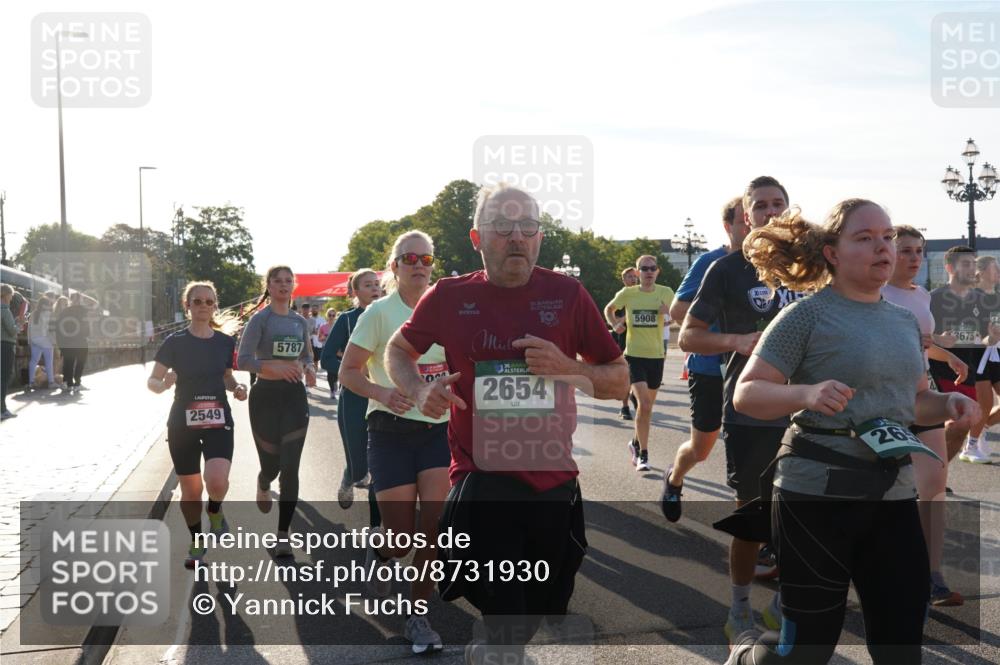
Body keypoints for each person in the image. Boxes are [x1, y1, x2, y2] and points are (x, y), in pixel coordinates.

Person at [723, 200, 980, 665]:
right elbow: (747, 393)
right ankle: (745, 652)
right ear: (832, 253)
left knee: (901, 644)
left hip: (893, 494)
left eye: (886, 237)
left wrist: (947, 404)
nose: (882, 247)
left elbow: (912, 400)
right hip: (816, 496)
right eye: (864, 238)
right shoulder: (806, 316)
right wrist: (805, 393)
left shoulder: (904, 321)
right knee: (805, 651)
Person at [386, 183, 628, 664]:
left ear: (540, 236)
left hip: (554, 479)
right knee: (507, 615)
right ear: (477, 237)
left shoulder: (568, 295)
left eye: (528, 227)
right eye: (502, 227)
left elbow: (619, 381)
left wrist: (569, 367)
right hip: (483, 479)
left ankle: (493, 649)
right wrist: (417, 390)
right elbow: (398, 349)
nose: (517, 237)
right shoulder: (450, 296)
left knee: (537, 609)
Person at [679, 176, 801, 643]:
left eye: (779, 204)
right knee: (752, 518)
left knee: (807, 512)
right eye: (761, 206)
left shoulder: (810, 266)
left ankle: (786, 603)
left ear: (790, 210)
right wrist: (736, 340)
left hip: (808, 410)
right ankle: (739, 610)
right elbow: (689, 335)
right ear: (745, 216)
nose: (770, 212)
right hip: (750, 410)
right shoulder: (727, 270)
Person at [338, 232, 450, 655]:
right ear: (395, 266)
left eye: (425, 257)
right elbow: (349, 371)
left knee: (432, 531)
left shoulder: (447, 308)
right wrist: (383, 393)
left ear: (432, 264)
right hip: (389, 431)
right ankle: (381, 547)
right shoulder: (380, 313)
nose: (418, 264)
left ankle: (417, 618)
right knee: (401, 536)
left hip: (438, 431)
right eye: (409, 258)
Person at [882, 225, 967, 607]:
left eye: (918, 251)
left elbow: (923, 344)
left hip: (922, 395)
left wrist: (948, 356)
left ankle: (932, 576)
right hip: (883, 400)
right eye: (906, 251)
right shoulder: (875, 293)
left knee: (933, 484)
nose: (914, 258)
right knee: (883, 491)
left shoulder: (921, 296)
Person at [148, 281, 246, 568]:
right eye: (197, 301)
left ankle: (215, 511)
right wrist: (162, 385)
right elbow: (152, 381)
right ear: (187, 305)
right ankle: (197, 540)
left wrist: (237, 387)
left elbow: (227, 376)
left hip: (218, 420)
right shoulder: (174, 343)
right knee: (191, 491)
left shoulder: (225, 342)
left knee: (216, 481)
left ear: (215, 306)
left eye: (209, 301)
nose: (203, 306)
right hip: (182, 424)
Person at [662, 196, 748, 523]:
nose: (753, 226)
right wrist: (719, 308)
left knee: (764, 452)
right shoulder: (710, 263)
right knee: (702, 448)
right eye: (744, 222)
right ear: (728, 227)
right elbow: (678, 311)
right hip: (711, 366)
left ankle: (762, 532)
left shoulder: (776, 267)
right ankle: (675, 478)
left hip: (758, 371)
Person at [236, 266, 316, 557]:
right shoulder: (261, 320)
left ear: (294, 286)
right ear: (268, 286)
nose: (283, 285)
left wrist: (308, 368)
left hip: (294, 398)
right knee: (272, 466)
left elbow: (308, 355)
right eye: (277, 281)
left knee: (291, 467)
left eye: (288, 281)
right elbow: (243, 360)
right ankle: (263, 480)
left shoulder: (299, 321)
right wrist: (273, 366)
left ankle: (283, 534)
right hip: (265, 398)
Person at [320, 268, 381, 516]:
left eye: (377, 284)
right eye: (368, 285)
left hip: (384, 397)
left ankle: (378, 528)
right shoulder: (347, 319)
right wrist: (353, 372)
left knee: (380, 464)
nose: (375, 288)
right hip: (354, 398)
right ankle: (349, 475)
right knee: (359, 468)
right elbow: (326, 360)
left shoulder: (390, 314)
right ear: (355, 292)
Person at [605, 256, 674, 471]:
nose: (648, 272)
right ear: (637, 272)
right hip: (634, 356)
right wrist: (615, 324)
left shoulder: (666, 292)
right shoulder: (628, 293)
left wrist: (669, 314)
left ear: (657, 271)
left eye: (652, 268)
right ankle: (644, 455)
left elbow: (680, 317)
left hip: (656, 356)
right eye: (644, 268)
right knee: (644, 404)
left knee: (647, 408)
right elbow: (609, 309)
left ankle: (635, 443)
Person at [929, 246, 989, 464]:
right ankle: (928, 474)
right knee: (954, 423)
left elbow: (984, 339)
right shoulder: (933, 298)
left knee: (961, 428)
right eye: (966, 264)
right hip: (939, 372)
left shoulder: (980, 298)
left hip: (968, 370)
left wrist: (991, 337)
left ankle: (937, 474)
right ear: (949, 267)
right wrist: (937, 338)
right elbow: (917, 335)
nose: (972, 269)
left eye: (973, 264)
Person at [611, 267, 639, 419]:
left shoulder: (644, 294)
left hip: (643, 341)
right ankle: (625, 406)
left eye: (635, 276)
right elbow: (612, 317)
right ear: (624, 280)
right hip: (625, 340)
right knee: (627, 376)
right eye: (629, 277)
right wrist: (625, 319)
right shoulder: (622, 296)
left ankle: (635, 396)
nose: (633, 279)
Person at [56, 293, 90, 395]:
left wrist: (60, 343)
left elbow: (59, 329)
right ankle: (77, 382)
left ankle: (70, 384)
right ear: (80, 300)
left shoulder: (64, 312)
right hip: (80, 341)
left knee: (68, 363)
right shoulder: (84, 311)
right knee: (80, 362)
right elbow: (87, 327)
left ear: (71, 300)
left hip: (67, 342)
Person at [1, 285, 22, 420]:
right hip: (6, 346)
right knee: (4, 377)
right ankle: (2, 409)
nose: (12, 297)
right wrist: (19, 324)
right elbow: (12, 331)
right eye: (11, 295)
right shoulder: (5, 309)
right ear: (6, 295)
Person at [26, 295, 56, 391]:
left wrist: (29, 340)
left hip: (34, 339)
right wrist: (53, 341)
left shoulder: (34, 313)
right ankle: (51, 382)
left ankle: (31, 382)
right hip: (44, 339)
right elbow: (48, 329)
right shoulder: (48, 313)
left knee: (34, 361)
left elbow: (29, 328)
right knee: (49, 361)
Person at [318, 308, 337, 397]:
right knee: (330, 372)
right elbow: (319, 338)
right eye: (330, 315)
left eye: (333, 315)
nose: (331, 317)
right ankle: (332, 391)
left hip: (337, 351)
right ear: (327, 316)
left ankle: (335, 382)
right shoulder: (323, 326)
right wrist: (324, 338)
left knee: (336, 371)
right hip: (326, 349)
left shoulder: (338, 325)